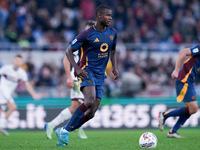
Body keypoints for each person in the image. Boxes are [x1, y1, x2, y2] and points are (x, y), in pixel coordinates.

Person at [55, 5, 119, 147]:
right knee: (89, 101)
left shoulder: (113, 33)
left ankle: (64, 130)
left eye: (111, 15)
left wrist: (114, 67)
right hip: (86, 70)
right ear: (99, 16)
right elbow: (69, 51)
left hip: (100, 75)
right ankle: (65, 132)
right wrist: (77, 68)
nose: (110, 18)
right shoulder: (88, 33)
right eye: (107, 15)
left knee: (91, 113)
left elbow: (113, 49)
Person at [44, 20, 96, 140]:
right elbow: (66, 59)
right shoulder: (80, 42)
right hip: (79, 78)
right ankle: (77, 128)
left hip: (86, 77)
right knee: (87, 103)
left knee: (74, 107)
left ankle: (50, 125)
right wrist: (68, 77)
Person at [158, 46, 199, 138]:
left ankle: (172, 131)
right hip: (184, 80)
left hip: (190, 81)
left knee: (191, 109)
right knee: (193, 108)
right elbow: (182, 52)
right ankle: (164, 115)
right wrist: (176, 70)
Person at [0, 54, 41, 136]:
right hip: (2, 90)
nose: (17, 62)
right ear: (13, 61)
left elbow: (27, 84)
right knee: (13, 106)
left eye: (19, 61)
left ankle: (1, 127)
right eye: (16, 60)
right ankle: (2, 125)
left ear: (22, 62)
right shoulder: (6, 68)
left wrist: (33, 94)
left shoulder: (22, 73)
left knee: (1, 110)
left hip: (7, 93)